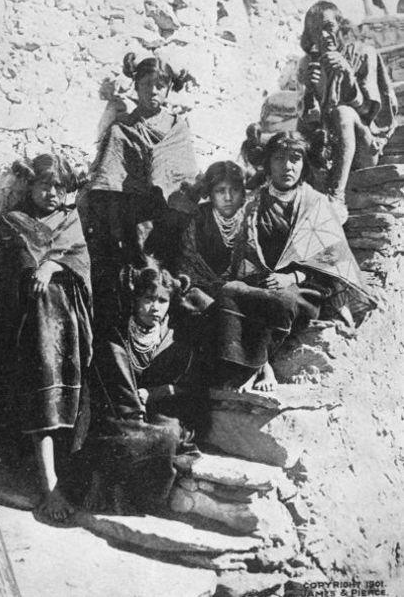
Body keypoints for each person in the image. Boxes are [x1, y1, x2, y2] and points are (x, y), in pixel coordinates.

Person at [0, 154, 93, 522]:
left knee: (64, 397)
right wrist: (32, 270)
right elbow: (3, 281)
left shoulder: (70, 221)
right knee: (40, 394)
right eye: (44, 185)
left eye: (58, 186)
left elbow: (79, 262)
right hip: (28, 331)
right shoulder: (13, 223)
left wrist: (54, 264)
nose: (51, 193)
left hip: (66, 332)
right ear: (31, 186)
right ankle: (47, 484)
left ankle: (60, 480)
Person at [214, 132, 376, 392]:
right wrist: (257, 276)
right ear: (267, 163)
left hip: (307, 287)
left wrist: (291, 278)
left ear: (304, 164)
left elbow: (331, 262)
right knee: (228, 292)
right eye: (279, 158)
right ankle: (252, 365)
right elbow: (242, 253)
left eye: (295, 158)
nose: (287, 166)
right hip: (261, 279)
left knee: (282, 300)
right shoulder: (254, 203)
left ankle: (257, 366)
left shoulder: (316, 204)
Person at [80, 51, 198, 334]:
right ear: (136, 86)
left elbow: (186, 179)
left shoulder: (178, 129)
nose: (153, 91)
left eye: (160, 85)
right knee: (136, 283)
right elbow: (108, 183)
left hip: (170, 220)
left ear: (169, 89)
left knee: (172, 281)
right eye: (146, 84)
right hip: (132, 222)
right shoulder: (122, 129)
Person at [82, 260, 199, 513]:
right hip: (120, 410)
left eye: (162, 301)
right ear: (135, 299)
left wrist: (154, 393)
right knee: (115, 428)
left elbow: (187, 386)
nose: (154, 307)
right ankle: (106, 484)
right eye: (148, 298)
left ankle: (140, 498)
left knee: (167, 434)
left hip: (159, 410)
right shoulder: (117, 336)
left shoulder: (176, 339)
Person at [297, 0, 397, 216]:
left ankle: (336, 195)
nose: (323, 36)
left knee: (343, 113)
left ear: (341, 27)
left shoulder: (362, 53)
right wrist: (308, 90)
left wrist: (348, 76)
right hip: (327, 150)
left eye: (328, 27)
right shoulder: (308, 64)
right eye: (315, 31)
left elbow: (370, 112)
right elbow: (308, 123)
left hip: (363, 148)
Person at [176, 161, 245, 299]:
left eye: (234, 190)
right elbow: (188, 266)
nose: (228, 198)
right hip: (200, 293)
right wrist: (221, 286)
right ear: (210, 193)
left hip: (242, 290)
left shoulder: (249, 219)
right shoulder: (196, 219)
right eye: (220, 191)